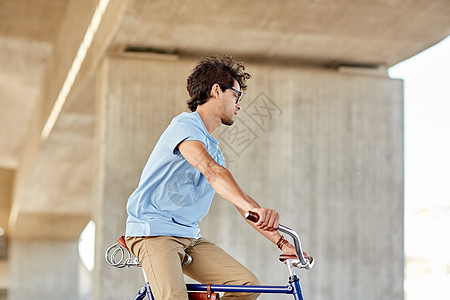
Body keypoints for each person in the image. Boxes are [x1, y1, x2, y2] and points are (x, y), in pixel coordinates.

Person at [125, 56, 297, 300]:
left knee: (246, 285)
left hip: (190, 238)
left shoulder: (214, 150)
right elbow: (211, 170)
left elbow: (241, 202)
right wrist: (250, 207)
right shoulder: (184, 125)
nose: (239, 105)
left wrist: (282, 242)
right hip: (154, 232)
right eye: (237, 96)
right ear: (217, 90)